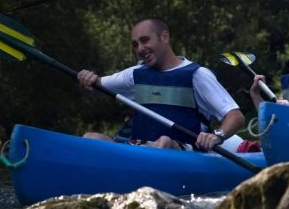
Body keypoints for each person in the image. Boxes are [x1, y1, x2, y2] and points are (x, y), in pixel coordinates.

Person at [77, 18, 244, 151]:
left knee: (164, 142)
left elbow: (236, 116)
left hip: (183, 150)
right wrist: (87, 78)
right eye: (136, 44)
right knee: (91, 138)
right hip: (138, 148)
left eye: (144, 40)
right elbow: (95, 84)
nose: (140, 48)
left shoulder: (197, 75)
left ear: (164, 37)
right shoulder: (135, 74)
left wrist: (217, 135)